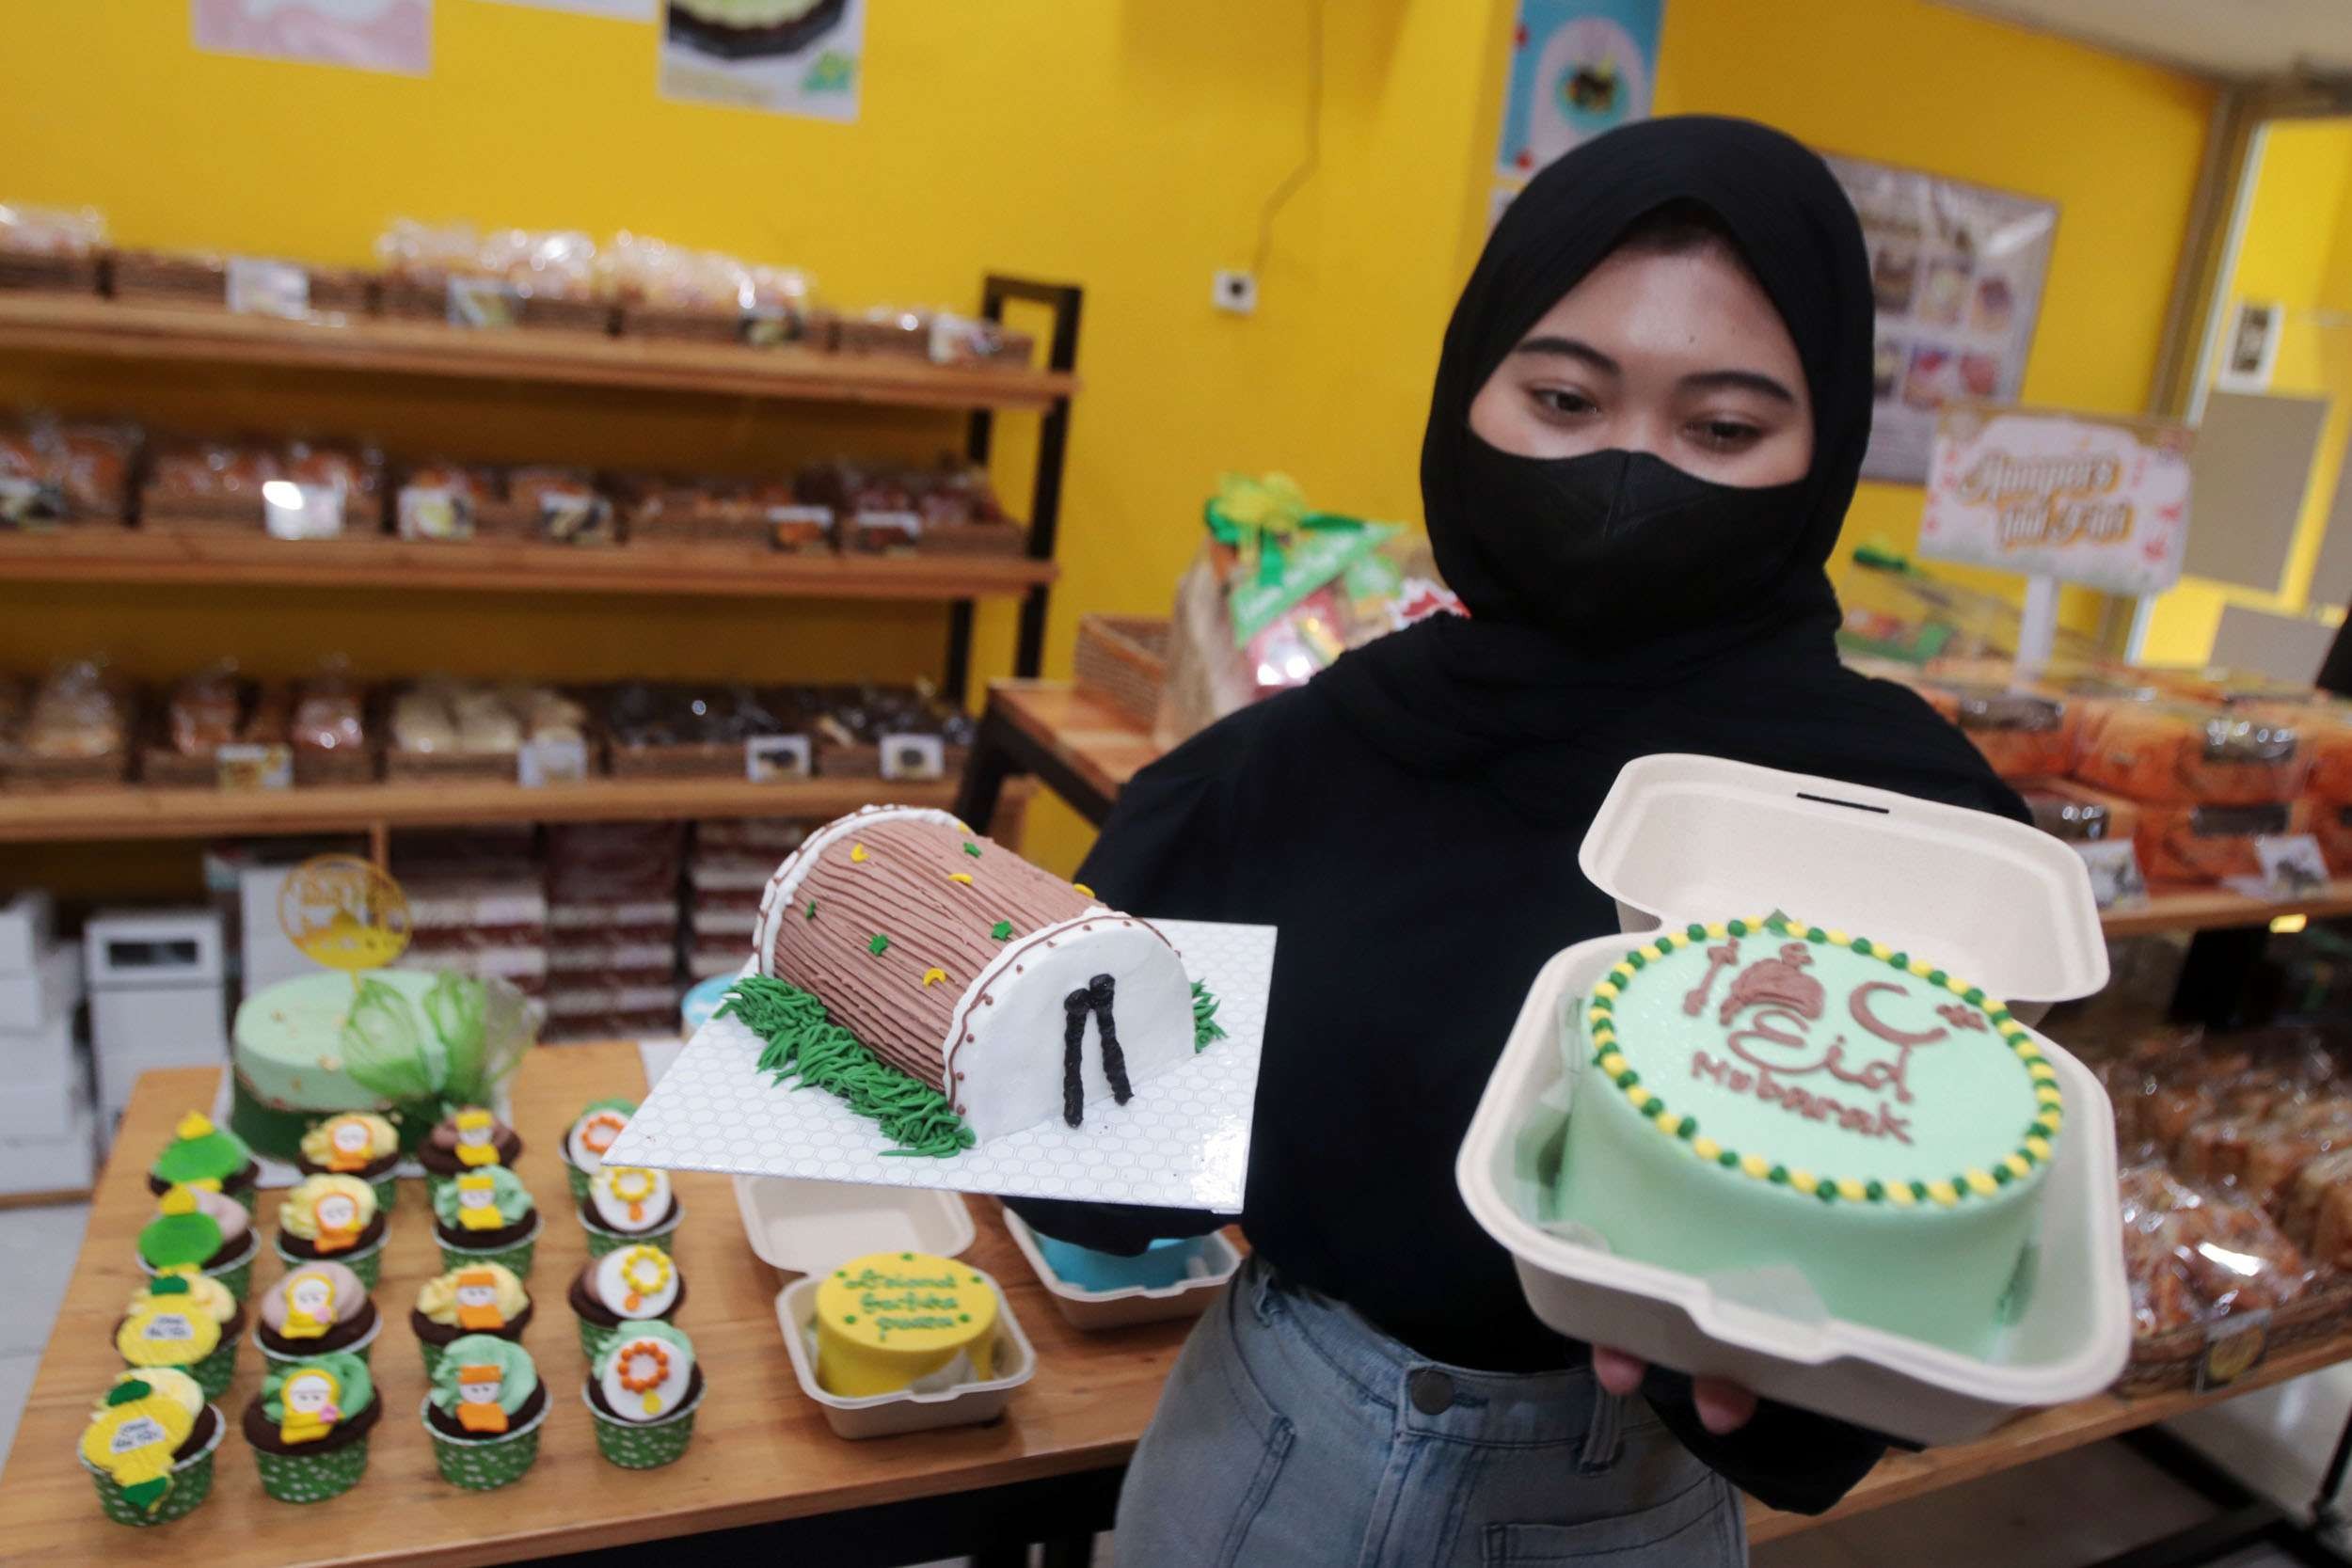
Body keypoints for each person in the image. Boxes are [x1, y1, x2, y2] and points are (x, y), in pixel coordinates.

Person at [1011, 115, 2025, 1567]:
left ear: (1824, 451)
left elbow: (1881, 1353)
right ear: (1469, 393)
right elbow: (1092, 1160)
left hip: (1614, 1500)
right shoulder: (1310, 751)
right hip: (1254, 1448)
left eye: (1722, 430)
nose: (1627, 472)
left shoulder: (1896, 822)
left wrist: (1787, 1358)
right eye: (1564, 399)